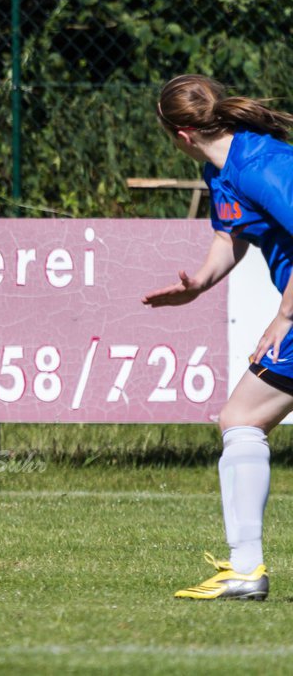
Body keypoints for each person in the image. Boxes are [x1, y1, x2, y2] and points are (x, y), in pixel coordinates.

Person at [143, 73, 293, 602]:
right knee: (242, 419)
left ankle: (247, 569)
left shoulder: (262, 164)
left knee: (242, 419)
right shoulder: (223, 169)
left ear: (181, 134)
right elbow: (232, 234)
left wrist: (285, 318)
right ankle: (245, 567)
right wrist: (200, 285)